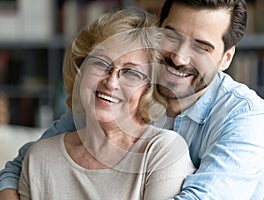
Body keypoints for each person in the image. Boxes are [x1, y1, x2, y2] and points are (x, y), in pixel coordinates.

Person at [0, 0, 264, 199]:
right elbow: (22, 165)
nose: (179, 57)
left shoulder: (246, 118)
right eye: (172, 36)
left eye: (201, 48)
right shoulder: (120, 92)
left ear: (226, 57)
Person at [19, 8, 196, 200]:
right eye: (101, 63)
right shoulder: (39, 158)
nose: (111, 82)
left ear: (149, 88)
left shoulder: (162, 152)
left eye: (132, 73)